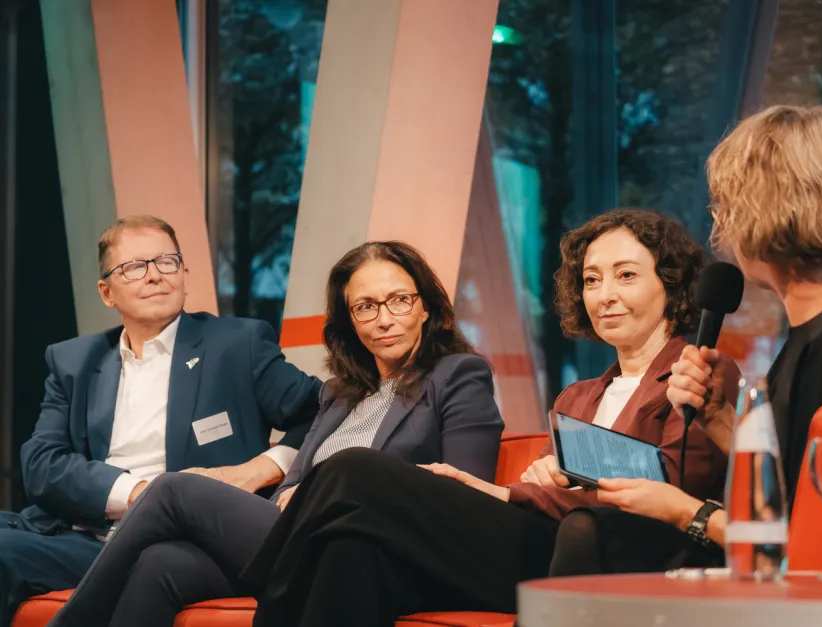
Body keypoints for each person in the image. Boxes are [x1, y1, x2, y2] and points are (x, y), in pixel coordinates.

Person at [240, 209, 737, 627]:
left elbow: (670, 484)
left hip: (601, 553)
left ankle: (263, 576)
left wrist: (535, 488)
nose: (604, 294)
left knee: (353, 468)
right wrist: (513, 490)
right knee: (350, 550)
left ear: (671, 284)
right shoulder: (577, 396)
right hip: (539, 540)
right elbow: (541, 489)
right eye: (591, 279)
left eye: (626, 275)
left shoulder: (695, 373)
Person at [551, 104, 822, 576]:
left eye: (725, 206)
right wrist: (718, 418)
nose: (722, 228)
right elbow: (794, 485)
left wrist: (685, 511)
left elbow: (821, 539)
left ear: (763, 212)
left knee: (597, 536)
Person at [46, 240, 504, 627]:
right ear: (350, 320)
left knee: (172, 489)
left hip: (368, 545)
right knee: (159, 563)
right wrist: (291, 493)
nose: (384, 319)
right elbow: (292, 483)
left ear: (425, 307)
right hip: (294, 535)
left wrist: (318, 497)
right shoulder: (340, 393)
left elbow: (459, 500)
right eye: (365, 307)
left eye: (399, 300)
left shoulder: (458, 375)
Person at [0, 215, 321, 627]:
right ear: (106, 292)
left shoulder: (236, 345)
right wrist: (137, 493)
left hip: (184, 542)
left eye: (167, 262)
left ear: (184, 274)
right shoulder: (74, 362)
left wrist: (260, 469)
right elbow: (42, 464)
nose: (155, 275)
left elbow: (322, 412)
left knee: (156, 564)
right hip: (87, 537)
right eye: (134, 267)